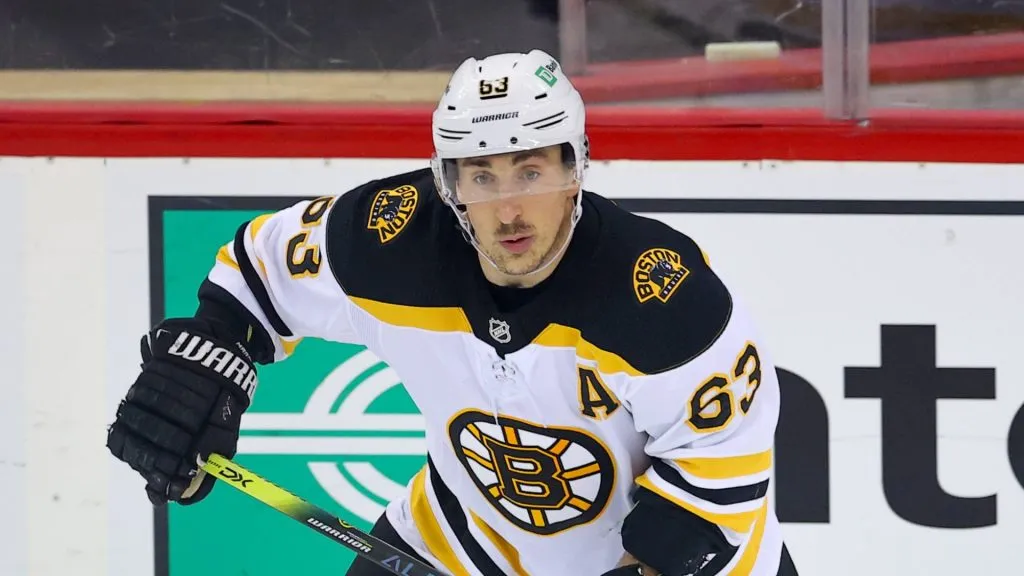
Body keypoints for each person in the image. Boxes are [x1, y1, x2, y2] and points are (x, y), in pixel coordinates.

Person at [106, 49, 797, 576]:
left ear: (576, 168)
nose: (509, 210)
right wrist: (204, 360)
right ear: (449, 182)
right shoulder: (388, 240)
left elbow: (720, 481)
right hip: (464, 542)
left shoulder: (663, 298)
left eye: (531, 171)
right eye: (482, 176)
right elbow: (259, 274)